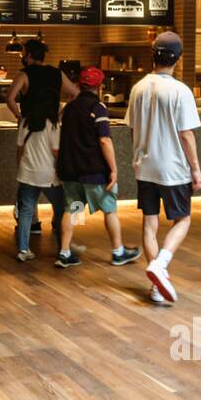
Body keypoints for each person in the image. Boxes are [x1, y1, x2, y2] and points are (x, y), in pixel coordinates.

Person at [126, 32, 201, 304]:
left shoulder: (138, 88)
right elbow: (186, 135)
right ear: (178, 60)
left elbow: (132, 129)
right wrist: (196, 169)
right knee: (182, 219)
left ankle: (157, 287)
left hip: (144, 166)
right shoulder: (180, 91)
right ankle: (162, 263)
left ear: (152, 56)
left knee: (150, 222)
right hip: (173, 168)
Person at [54, 67, 141, 268]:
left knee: (73, 209)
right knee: (109, 209)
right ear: (100, 86)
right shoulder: (98, 108)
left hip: (70, 171)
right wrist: (114, 169)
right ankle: (118, 252)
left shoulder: (69, 108)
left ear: (79, 84)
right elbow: (104, 140)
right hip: (93, 172)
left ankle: (65, 253)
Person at [7, 39, 79, 236]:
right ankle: (59, 223)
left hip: (29, 128)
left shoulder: (24, 74)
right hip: (52, 128)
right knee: (54, 172)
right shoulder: (57, 73)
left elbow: (10, 97)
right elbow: (75, 93)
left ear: (29, 55)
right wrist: (59, 115)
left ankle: (33, 222)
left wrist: (20, 117)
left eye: (24, 53)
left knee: (26, 173)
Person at [14, 108, 64, 262]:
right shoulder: (52, 124)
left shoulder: (25, 122)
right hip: (48, 174)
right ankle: (64, 248)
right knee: (62, 208)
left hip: (27, 172)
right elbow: (56, 151)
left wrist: (21, 168)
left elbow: (20, 149)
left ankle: (23, 249)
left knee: (26, 211)